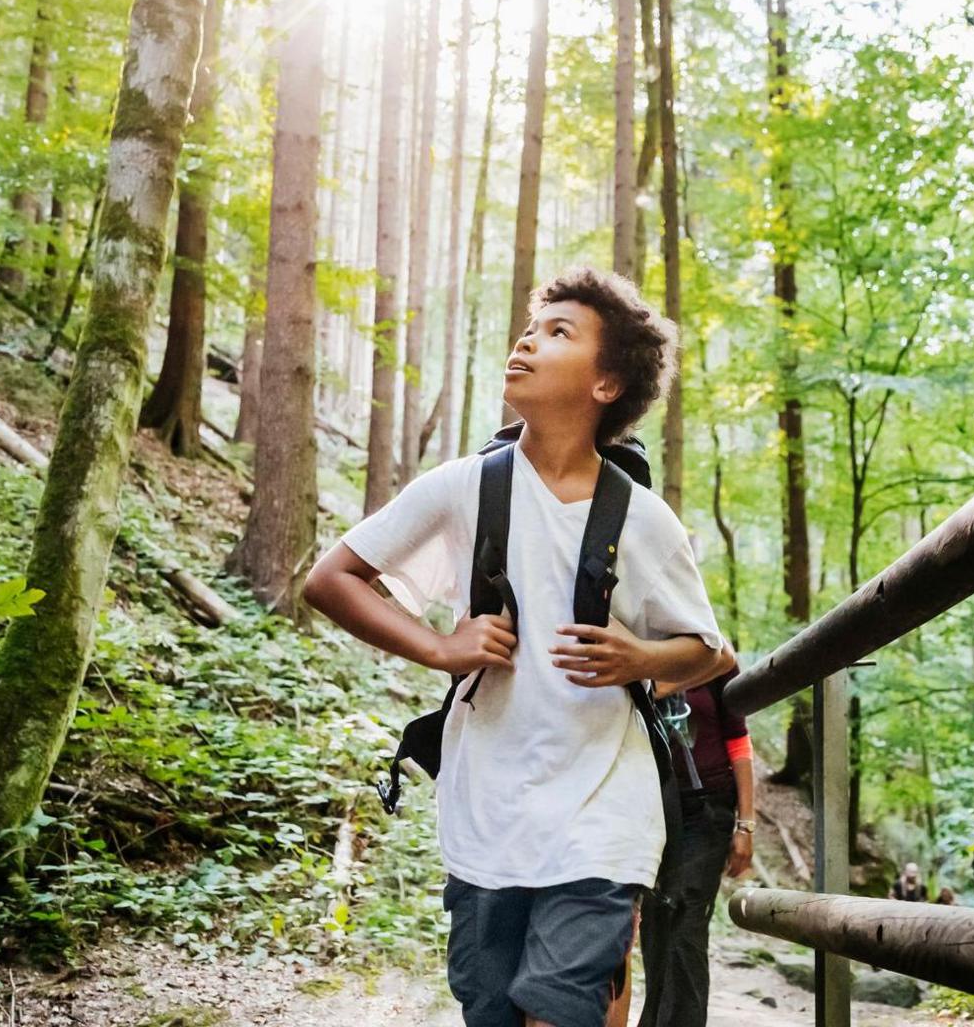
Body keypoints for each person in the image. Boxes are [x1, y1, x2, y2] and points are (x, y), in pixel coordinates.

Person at [305, 266, 730, 1027]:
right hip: (485, 813)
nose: (528, 341)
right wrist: (440, 647)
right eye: (531, 328)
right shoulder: (464, 486)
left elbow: (708, 652)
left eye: (559, 333)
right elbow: (331, 579)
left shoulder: (645, 521)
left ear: (606, 386)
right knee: (492, 1010)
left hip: (604, 812)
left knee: (561, 1012)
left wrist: (642, 659)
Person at [635, 665, 754, 1027]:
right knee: (655, 923)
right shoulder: (636, 650)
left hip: (707, 807)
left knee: (684, 918)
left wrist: (746, 823)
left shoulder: (713, 655)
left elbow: (738, 739)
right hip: (652, 807)